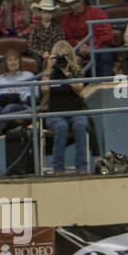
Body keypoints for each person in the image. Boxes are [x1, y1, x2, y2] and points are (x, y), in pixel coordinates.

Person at [40, 41, 90, 174]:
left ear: (70, 56)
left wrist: (67, 72)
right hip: (55, 113)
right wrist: (49, 69)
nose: (62, 58)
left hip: (75, 111)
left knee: (80, 125)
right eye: (59, 56)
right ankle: (58, 168)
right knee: (61, 127)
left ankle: (81, 167)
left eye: (64, 56)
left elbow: (79, 89)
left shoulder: (76, 71)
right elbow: (44, 90)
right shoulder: (49, 73)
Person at [60, 0, 114, 77]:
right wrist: (79, 46)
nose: (75, 5)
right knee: (71, 58)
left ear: (82, 0)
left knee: (105, 54)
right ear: (69, 5)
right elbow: (68, 39)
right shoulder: (66, 20)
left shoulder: (97, 12)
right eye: (72, 3)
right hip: (79, 49)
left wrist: (91, 47)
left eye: (77, 1)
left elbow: (106, 35)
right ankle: (78, 88)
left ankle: (107, 84)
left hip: (99, 46)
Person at [0, 48, 36, 128]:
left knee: (9, 107)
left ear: (19, 61)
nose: (13, 62)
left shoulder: (29, 75)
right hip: (1, 104)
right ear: (6, 63)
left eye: (16, 59)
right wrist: (6, 95)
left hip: (21, 105)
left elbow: (35, 94)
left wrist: (18, 95)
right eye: (10, 60)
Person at [27, 0, 64, 67]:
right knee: (37, 61)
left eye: (49, 12)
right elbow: (31, 46)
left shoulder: (57, 29)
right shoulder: (35, 28)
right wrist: (41, 53)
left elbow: (61, 44)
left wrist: (52, 54)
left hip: (54, 55)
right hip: (39, 56)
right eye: (45, 12)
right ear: (40, 13)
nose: (47, 15)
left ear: (52, 14)